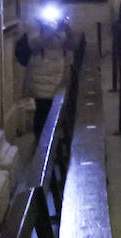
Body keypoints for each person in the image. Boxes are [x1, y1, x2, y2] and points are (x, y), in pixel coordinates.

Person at [14, 7, 76, 139]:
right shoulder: (35, 25)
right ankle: (41, 144)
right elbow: (34, 44)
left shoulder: (62, 25)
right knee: (43, 110)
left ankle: (53, 142)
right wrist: (49, 30)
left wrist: (66, 28)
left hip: (58, 73)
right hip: (40, 74)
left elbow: (71, 45)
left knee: (55, 111)